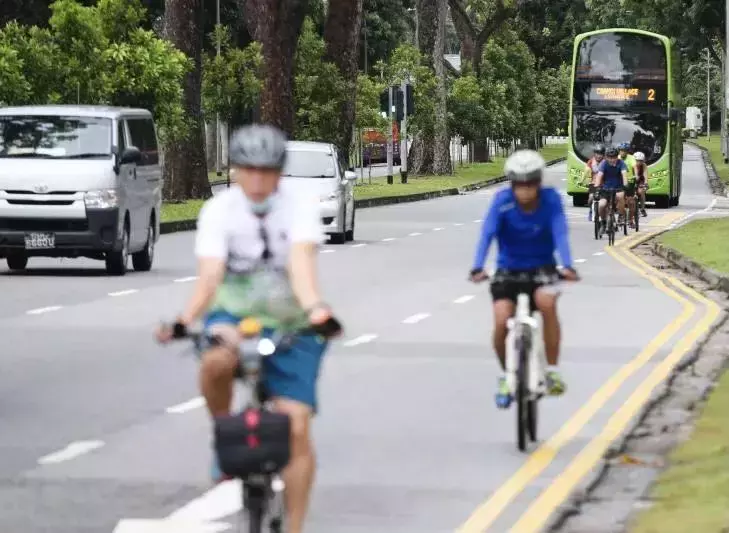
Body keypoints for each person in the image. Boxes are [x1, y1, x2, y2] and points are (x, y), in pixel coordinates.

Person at [155, 124, 340, 533]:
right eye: (248, 170)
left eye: (267, 170)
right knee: (215, 362)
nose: (258, 179)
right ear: (235, 170)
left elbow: (301, 265)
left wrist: (317, 311)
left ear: (279, 172)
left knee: (295, 427)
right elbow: (210, 277)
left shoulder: (299, 208)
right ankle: (224, 437)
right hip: (233, 317)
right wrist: (186, 321)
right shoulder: (219, 211)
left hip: (293, 322)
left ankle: (293, 525)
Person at [468, 150, 579, 409]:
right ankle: (506, 376)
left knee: (547, 303)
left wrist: (568, 265)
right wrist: (477, 267)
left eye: (531, 183)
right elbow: (487, 234)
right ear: (512, 183)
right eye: (519, 184)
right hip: (508, 269)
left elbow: (560, 232)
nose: (525, 190)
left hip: (543, 269)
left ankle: (551, 371)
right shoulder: (501, 201)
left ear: (539, 182)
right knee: (501, 318)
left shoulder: (551, 201)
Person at [594, 146, 629, 232]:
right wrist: (597, 186)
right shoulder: (604, 163)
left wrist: (625, 184)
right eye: (609, 157)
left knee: (620, 196)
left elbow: (624, 174)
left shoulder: (621, 163)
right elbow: (599, 175)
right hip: (606, 189)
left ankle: (621, 215)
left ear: (617, 157)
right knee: (601, 205)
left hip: (618, 188)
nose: (611, 160)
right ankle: (603, 222)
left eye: (614, 158)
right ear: (606, 157)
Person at [582, 144, 606, 221]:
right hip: (594, 183)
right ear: (594, 153)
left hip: (605, 184)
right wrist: (582, 180)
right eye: (597, 153)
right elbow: (586, 171)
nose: (599, 156)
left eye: (601, 154)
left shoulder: (606, 161)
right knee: (591, 198)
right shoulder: (591, 161)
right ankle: (591, 210)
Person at [632, 151, 649, 217]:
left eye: (641, 161)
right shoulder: (632, 165)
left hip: (640, 181)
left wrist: (646, 183)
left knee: (641, 192)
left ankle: (642, 209)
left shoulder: (644, 165)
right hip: (632, 180)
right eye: (637, 160)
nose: (639, 162)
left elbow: (645, 174)